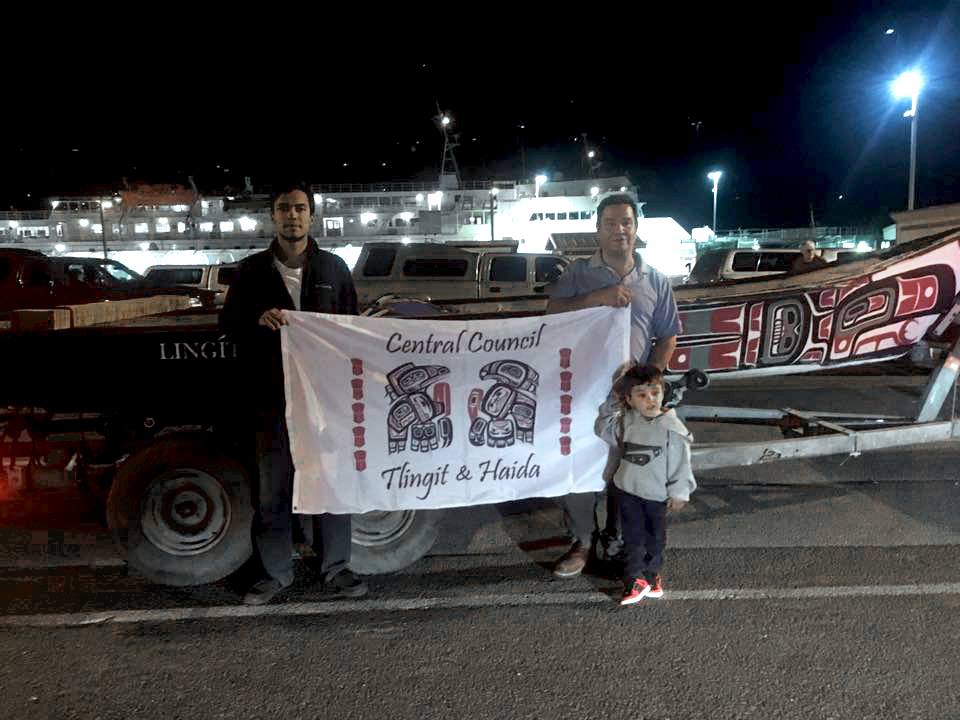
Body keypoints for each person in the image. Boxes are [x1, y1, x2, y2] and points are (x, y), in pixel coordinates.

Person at [220, 180, 368, 605]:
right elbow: (228, 326)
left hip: (326, 400)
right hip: (272, 401)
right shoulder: (251, 271)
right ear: (273, 215)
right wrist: (256, 317)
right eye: (284, 208)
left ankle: (336, 567)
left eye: (300, 208)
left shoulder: (334, 269)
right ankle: (274, 574)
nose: (292, 215)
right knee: (274, 490)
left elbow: (352, 329)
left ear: (312, 214)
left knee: (332, 483)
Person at [546, 192, 681, 578]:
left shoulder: (655, 280)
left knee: (630, 469)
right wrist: (595, 298)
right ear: (598, 230)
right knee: (580, 467)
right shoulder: (578, 273)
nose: (619, 230)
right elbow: (551, 314)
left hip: (631, 397)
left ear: (636, 229)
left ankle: (619, 539)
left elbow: (667, 335)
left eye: (626, 222)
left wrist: (650, 378)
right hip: (583, 389)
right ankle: (583, 542)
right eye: (610, 223)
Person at [594, 364, 695, 605]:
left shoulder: (672, 428)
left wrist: (679, 491)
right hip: (628, 490)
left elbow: (682, 463)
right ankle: (634, 579)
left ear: (662, 393)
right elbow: (603, 429)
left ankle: (651, 575)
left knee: (655, 538)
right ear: (629, 400)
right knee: (633, 537)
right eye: (641, 395)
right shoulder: (628, 421)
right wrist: (612, 398)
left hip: (656, 495)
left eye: (655, 393)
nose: (650, 399)